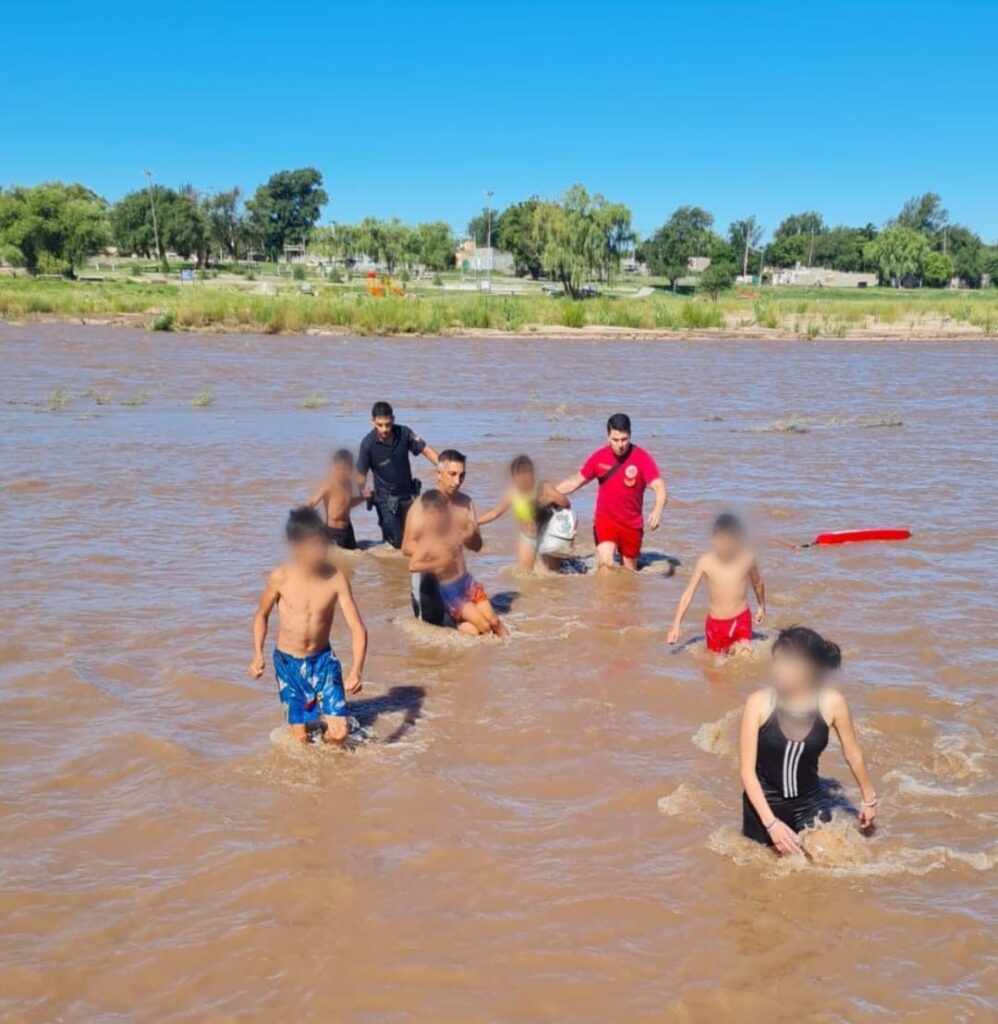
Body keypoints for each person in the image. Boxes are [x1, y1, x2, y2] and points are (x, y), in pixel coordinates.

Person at [739, 625, 878, 855]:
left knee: (833, 868)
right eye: (777, 661)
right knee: (764, 875)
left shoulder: (832, 703)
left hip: (808, 803)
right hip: (763, 806)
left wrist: (868, 798)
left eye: (788, 663)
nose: (778, 670)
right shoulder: (758, 703)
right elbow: (746, 772)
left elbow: (853, 754)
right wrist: (772, 824)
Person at [248, 506, 367, 744]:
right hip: (288, 663)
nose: (321, 550)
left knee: (340, 734)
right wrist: (257, 655)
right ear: (297, 547)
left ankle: (332, 759)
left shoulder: (335, 579)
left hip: (323, 661)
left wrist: (356, 670)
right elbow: (261, 615)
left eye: (322, 543)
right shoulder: (280, 577)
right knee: (300, 740)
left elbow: (358, 628)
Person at [557, 413, 667, 570]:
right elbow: (575, 481)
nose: (620, 445)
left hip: (632, 524)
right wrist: (550, 493)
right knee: (606, 563)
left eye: (624, 439)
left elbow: (659, 487)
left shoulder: (643, 458)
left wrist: (658, 509)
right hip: (605, 520)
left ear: (630, 435)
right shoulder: (599, 458)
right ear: (608, 437)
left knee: (629, 571)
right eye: (615, 440)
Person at [408, 489, 508, 638]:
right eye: (431, 514)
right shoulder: (427, 539)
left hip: (468, 583)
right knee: (485, 627)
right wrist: (437, 564)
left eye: (439, 512)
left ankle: (512, 651)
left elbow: (473, 537)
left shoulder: (453, 527)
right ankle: (460, 625)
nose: (436, 517)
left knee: (495, 622)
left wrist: (469, 531)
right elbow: (413, 565)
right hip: (451, 592)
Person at [402, 449, 482, 626]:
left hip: (458, 582)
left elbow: (477, 546)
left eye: (462, 475)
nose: (457, 481)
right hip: (429, 582)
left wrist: (469, 535)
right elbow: (407, 547)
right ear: (438, 474)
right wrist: (440, 554)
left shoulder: (466, 503)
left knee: (476, 630)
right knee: (433, 636)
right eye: (452, 474)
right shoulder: (422, 505)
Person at [666, 512, 765, 652]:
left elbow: (758, 583)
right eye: (721, 539)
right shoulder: (705, 562)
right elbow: (688, 595)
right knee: (715, 668)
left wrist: (761, 607)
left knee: (743, 659)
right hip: (715, 626)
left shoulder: (747, 558)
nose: (725, 544)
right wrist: (676, 624)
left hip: (740, 620)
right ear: (714, 540)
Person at [356, 401, 439, 549]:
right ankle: (387, 569)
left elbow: (426, 450)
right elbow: (361, 473)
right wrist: (363, 489)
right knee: (395, 543)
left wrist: (444, 468)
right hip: (385, 500)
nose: (384, 429)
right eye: (380, 425)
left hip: (408, 496)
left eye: (387, 424)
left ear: (393, 419)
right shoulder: (368, 444)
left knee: (417, 537)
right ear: (372, 421)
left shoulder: (404, 433)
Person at [477, 454, 574, 570]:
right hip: (527, 537)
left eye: (527, 473)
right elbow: (495, 513)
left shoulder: (543, 486)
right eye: (519, 474)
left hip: (548, 535)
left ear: (533, 473)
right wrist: (476, 522)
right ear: (513, 477)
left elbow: (566, 503)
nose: (523, 478)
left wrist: (550, 499)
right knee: (523, 573)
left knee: (554, 573)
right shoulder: (512, 493)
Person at [306, 448, 366, 550]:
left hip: (348, 529)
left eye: (346, 469)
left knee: (354, 558)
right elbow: (312, 502)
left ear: (351, 468)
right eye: (340, 468)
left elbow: (347, 504)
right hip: (333, 531)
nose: (343, 472)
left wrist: (362, 498)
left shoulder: (349, 484)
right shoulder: (329, 485)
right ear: (333, 467)